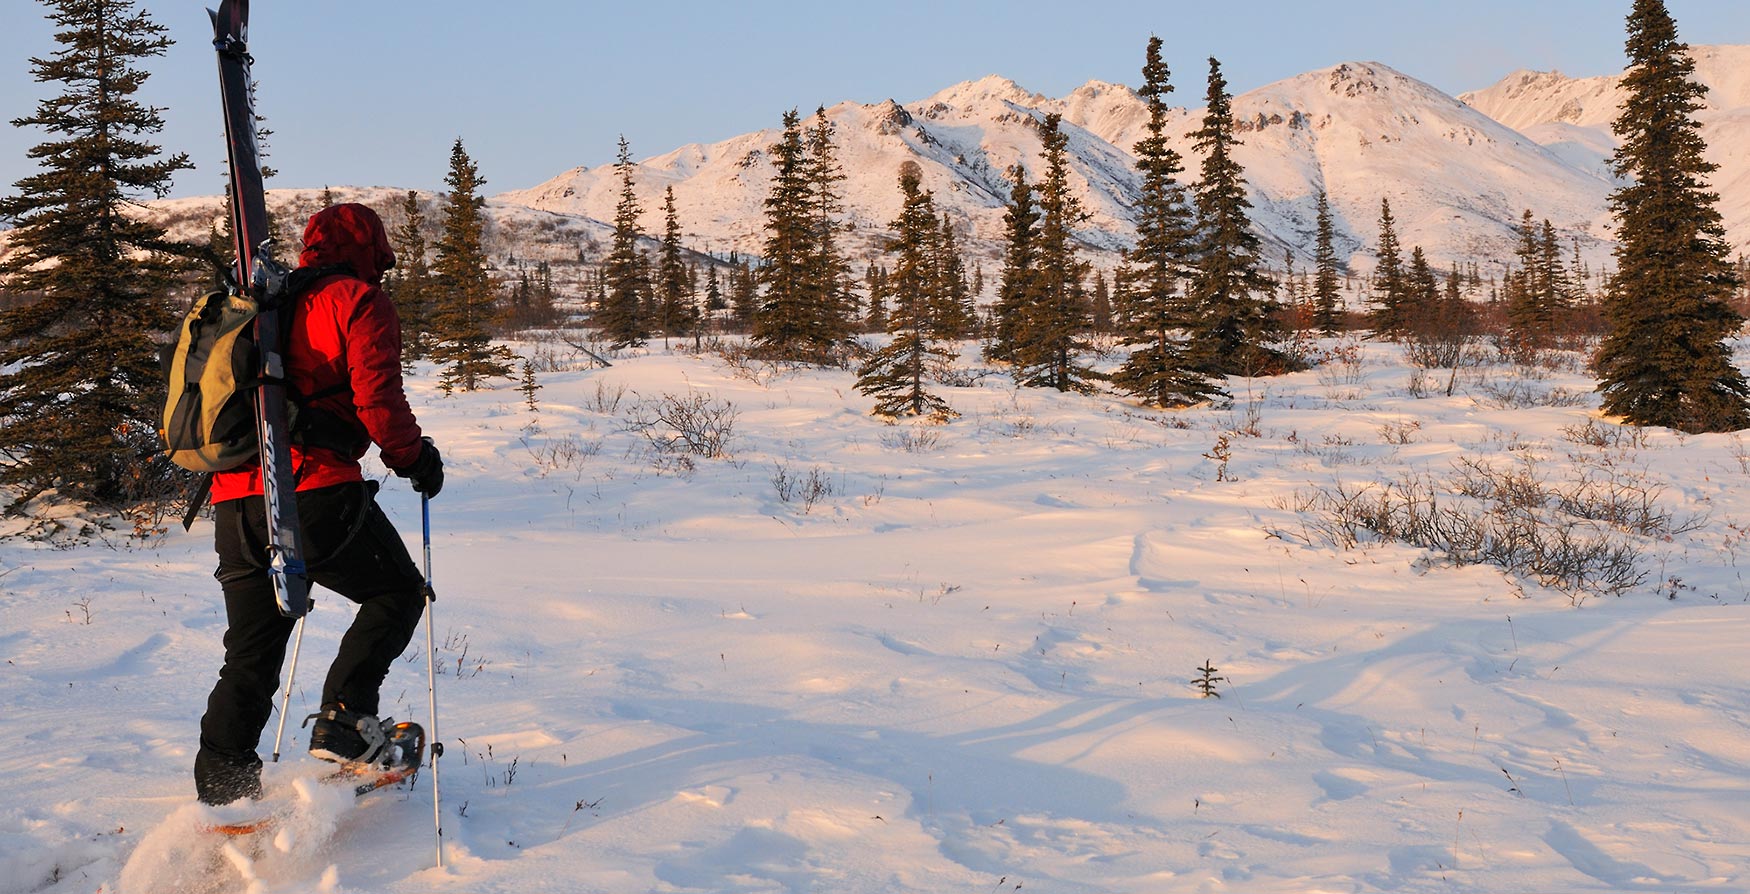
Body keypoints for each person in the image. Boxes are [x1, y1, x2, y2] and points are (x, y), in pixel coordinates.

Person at [194, 203, 444, 806]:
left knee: (252, 652)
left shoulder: (264, 299)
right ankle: (345, 723)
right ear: (373, 249)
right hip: (312, 490)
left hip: (235, 501)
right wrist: (414, 458)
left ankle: (224, 788)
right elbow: (377, 400)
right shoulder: (355, 299)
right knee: (396, 593)